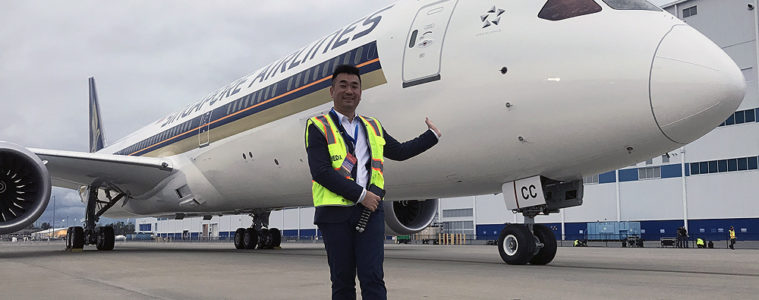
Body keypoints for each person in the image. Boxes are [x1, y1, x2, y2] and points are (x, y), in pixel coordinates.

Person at [305, 64, 441, 300]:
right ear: (331, 91)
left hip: (370, 214)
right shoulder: (317, 125)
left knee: (373, 278)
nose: (349, 91)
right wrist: (362, 196)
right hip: (335, 214)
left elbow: (398, 151)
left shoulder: (372, 125)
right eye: (343, 85)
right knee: (342, 281)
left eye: (355, 86)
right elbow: (321, 172)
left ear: (360, 92)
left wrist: (431, 137)